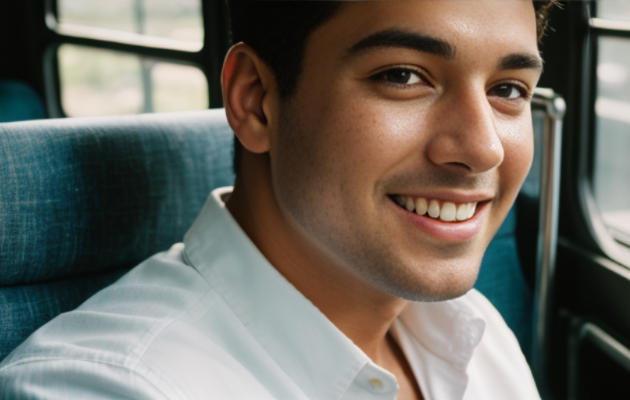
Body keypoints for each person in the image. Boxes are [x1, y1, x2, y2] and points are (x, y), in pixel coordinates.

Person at [0, 1, 554, 399]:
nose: (482, 150)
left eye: (508, 89)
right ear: (256, 100)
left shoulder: (469, 327)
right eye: (403, 75)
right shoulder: (103, 385)